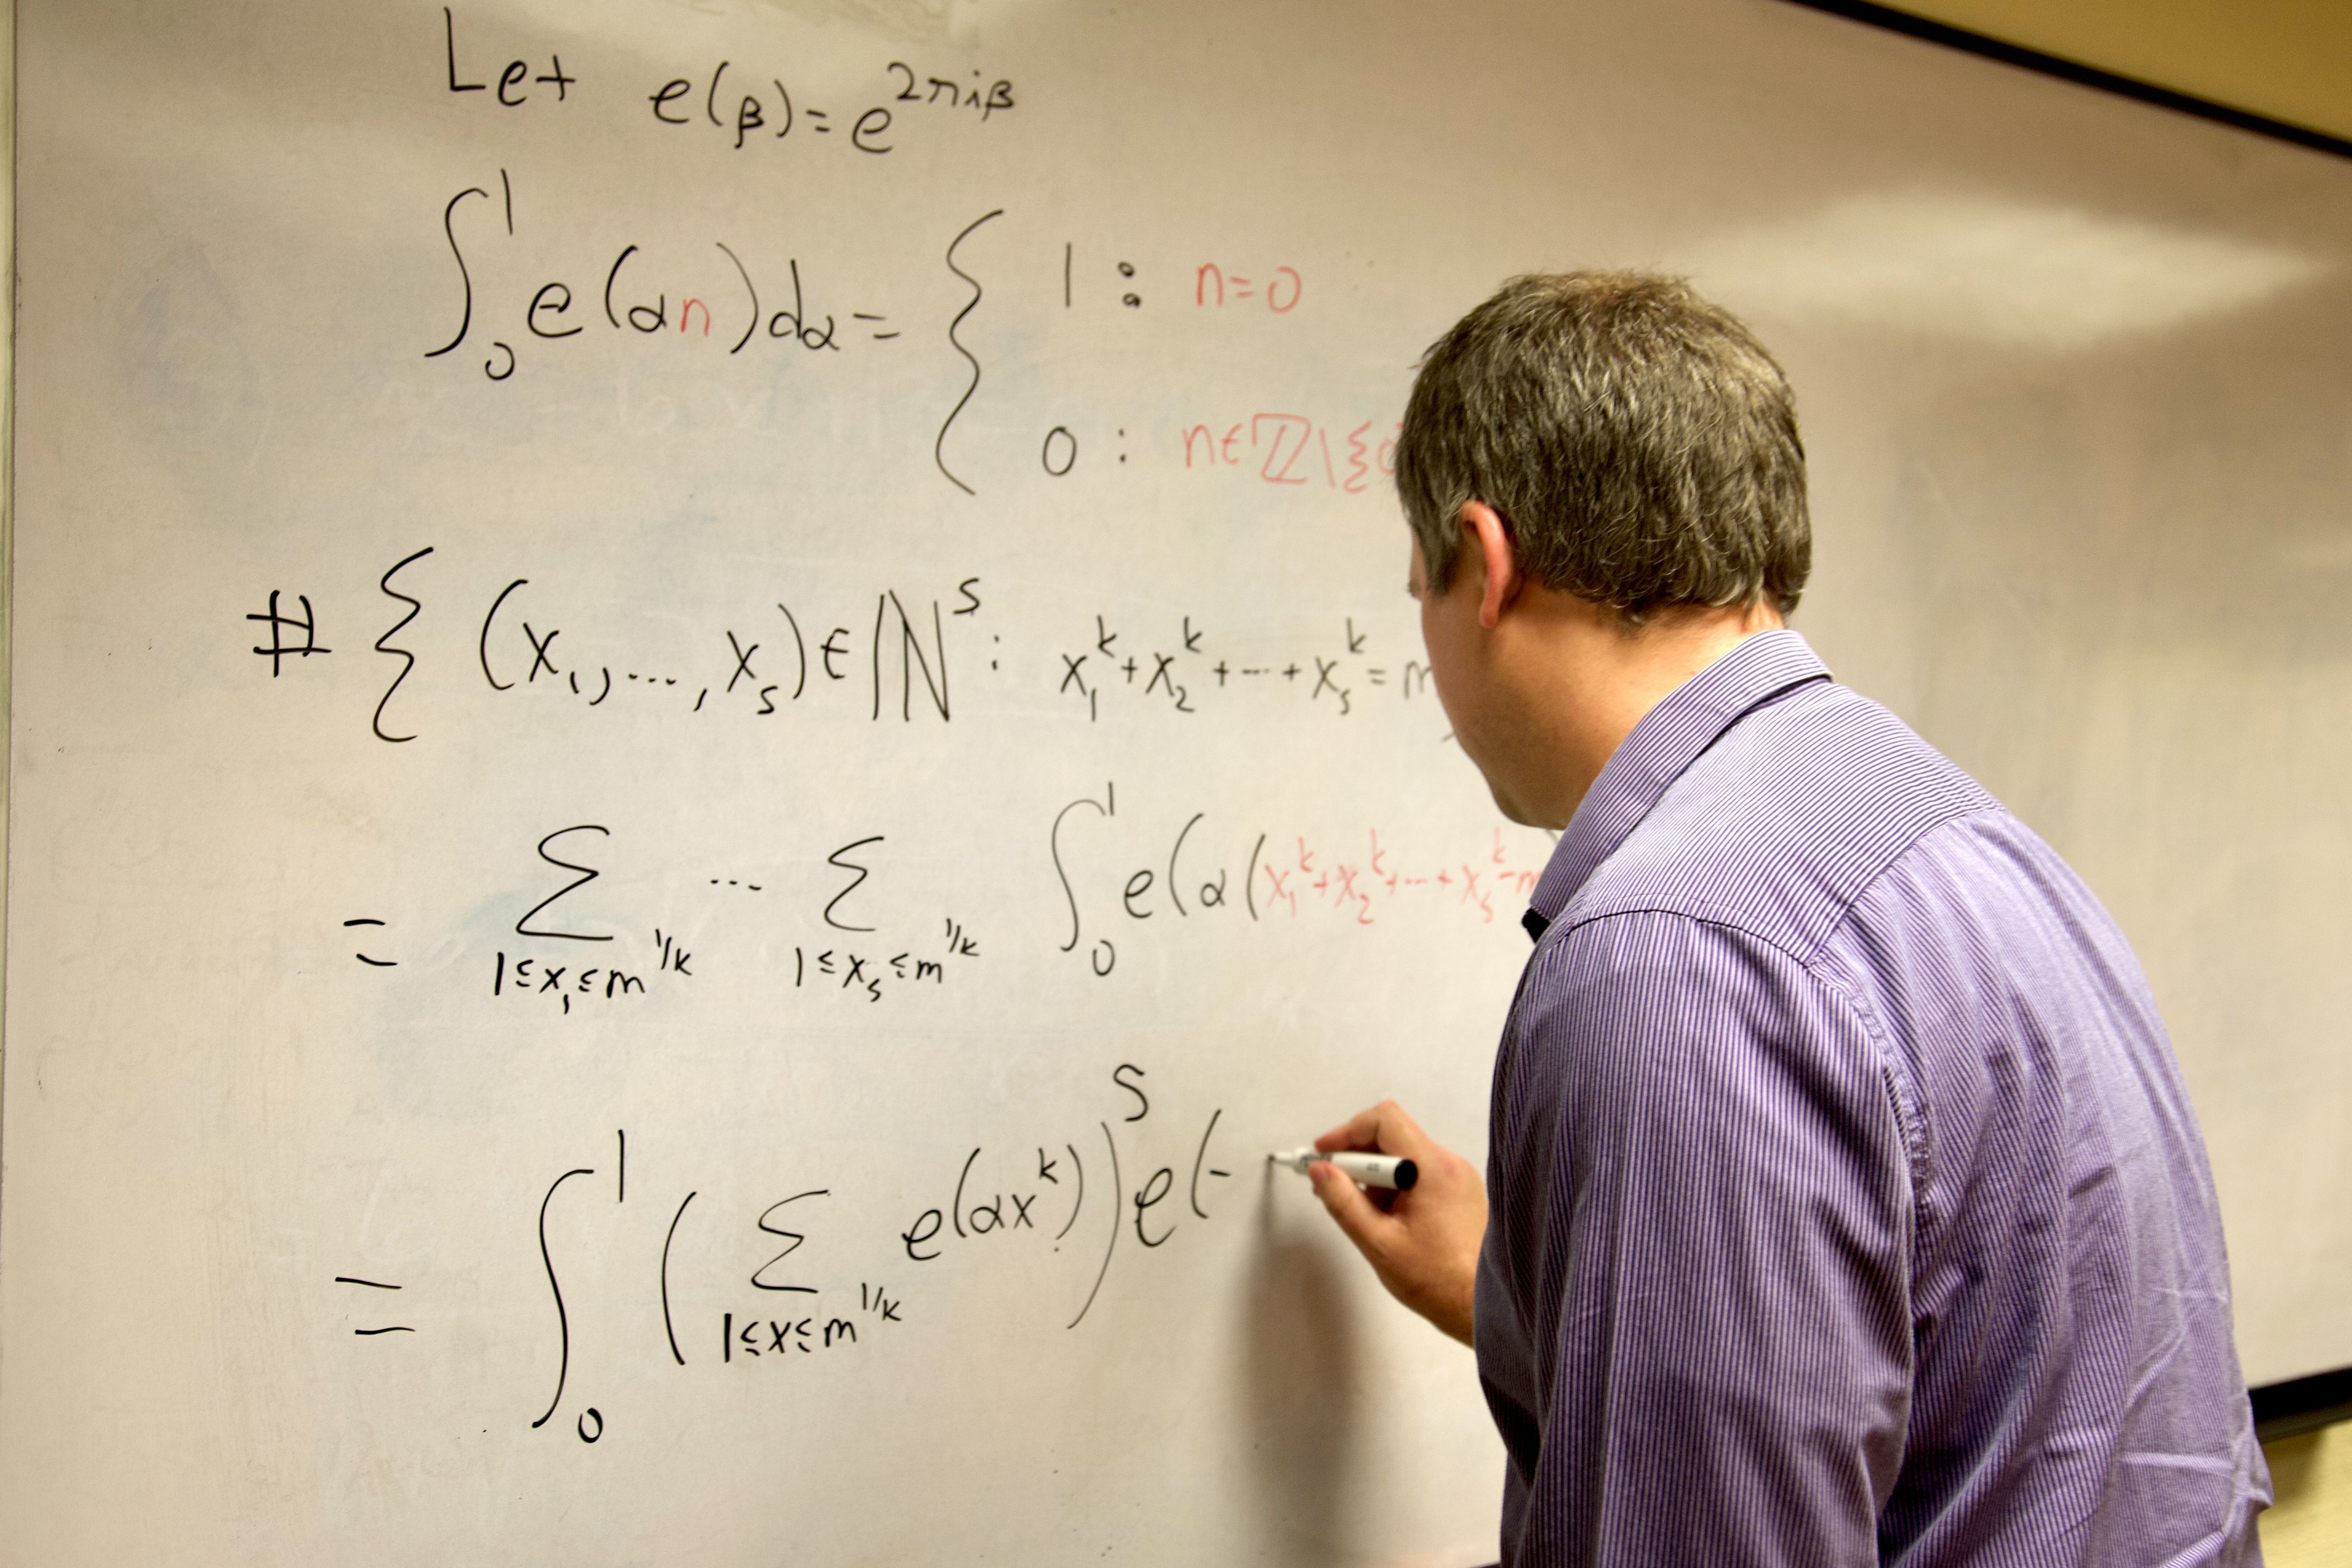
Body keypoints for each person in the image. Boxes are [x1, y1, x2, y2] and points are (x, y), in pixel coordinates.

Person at [1307, 272, 2270, 1565]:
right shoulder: (1953, 835)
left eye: (1416, 577)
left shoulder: (1670, 957)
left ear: (1484, 564)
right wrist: (1525, 1292)